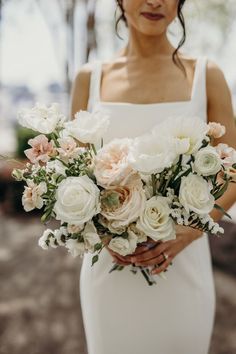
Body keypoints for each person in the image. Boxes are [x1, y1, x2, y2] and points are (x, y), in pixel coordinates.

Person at [70, 1, 236, 353]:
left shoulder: (206, 74)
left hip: (182, 266)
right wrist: (99, 228)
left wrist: (194, 230)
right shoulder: (89, 77)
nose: (155, 1)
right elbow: (74, 172)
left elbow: (233, 170)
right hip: (108, 273)